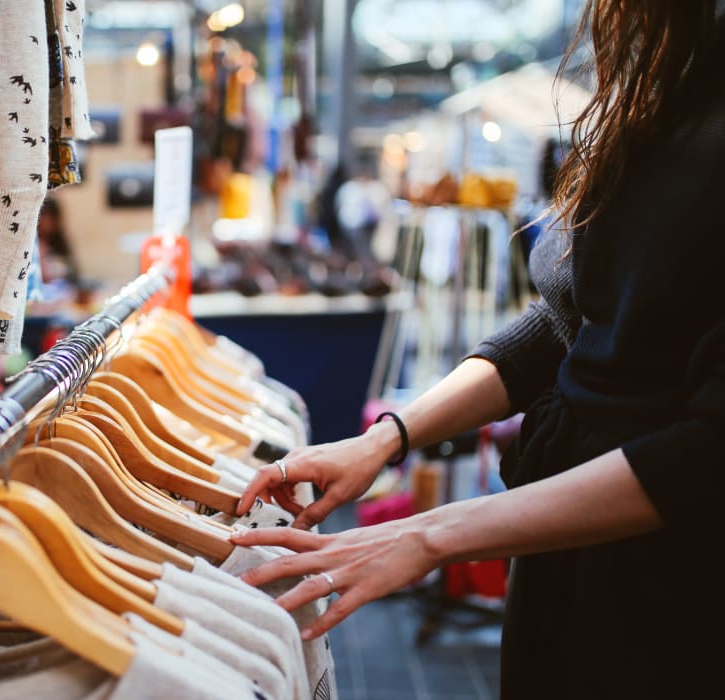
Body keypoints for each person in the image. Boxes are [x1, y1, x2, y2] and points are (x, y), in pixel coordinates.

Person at [230, 2, 725, 698]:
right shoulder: (665, 81)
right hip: (566, 551)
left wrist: (430, 536)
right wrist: (385, 440)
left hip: (667, 580)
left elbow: (707, 453)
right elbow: (570, 322)